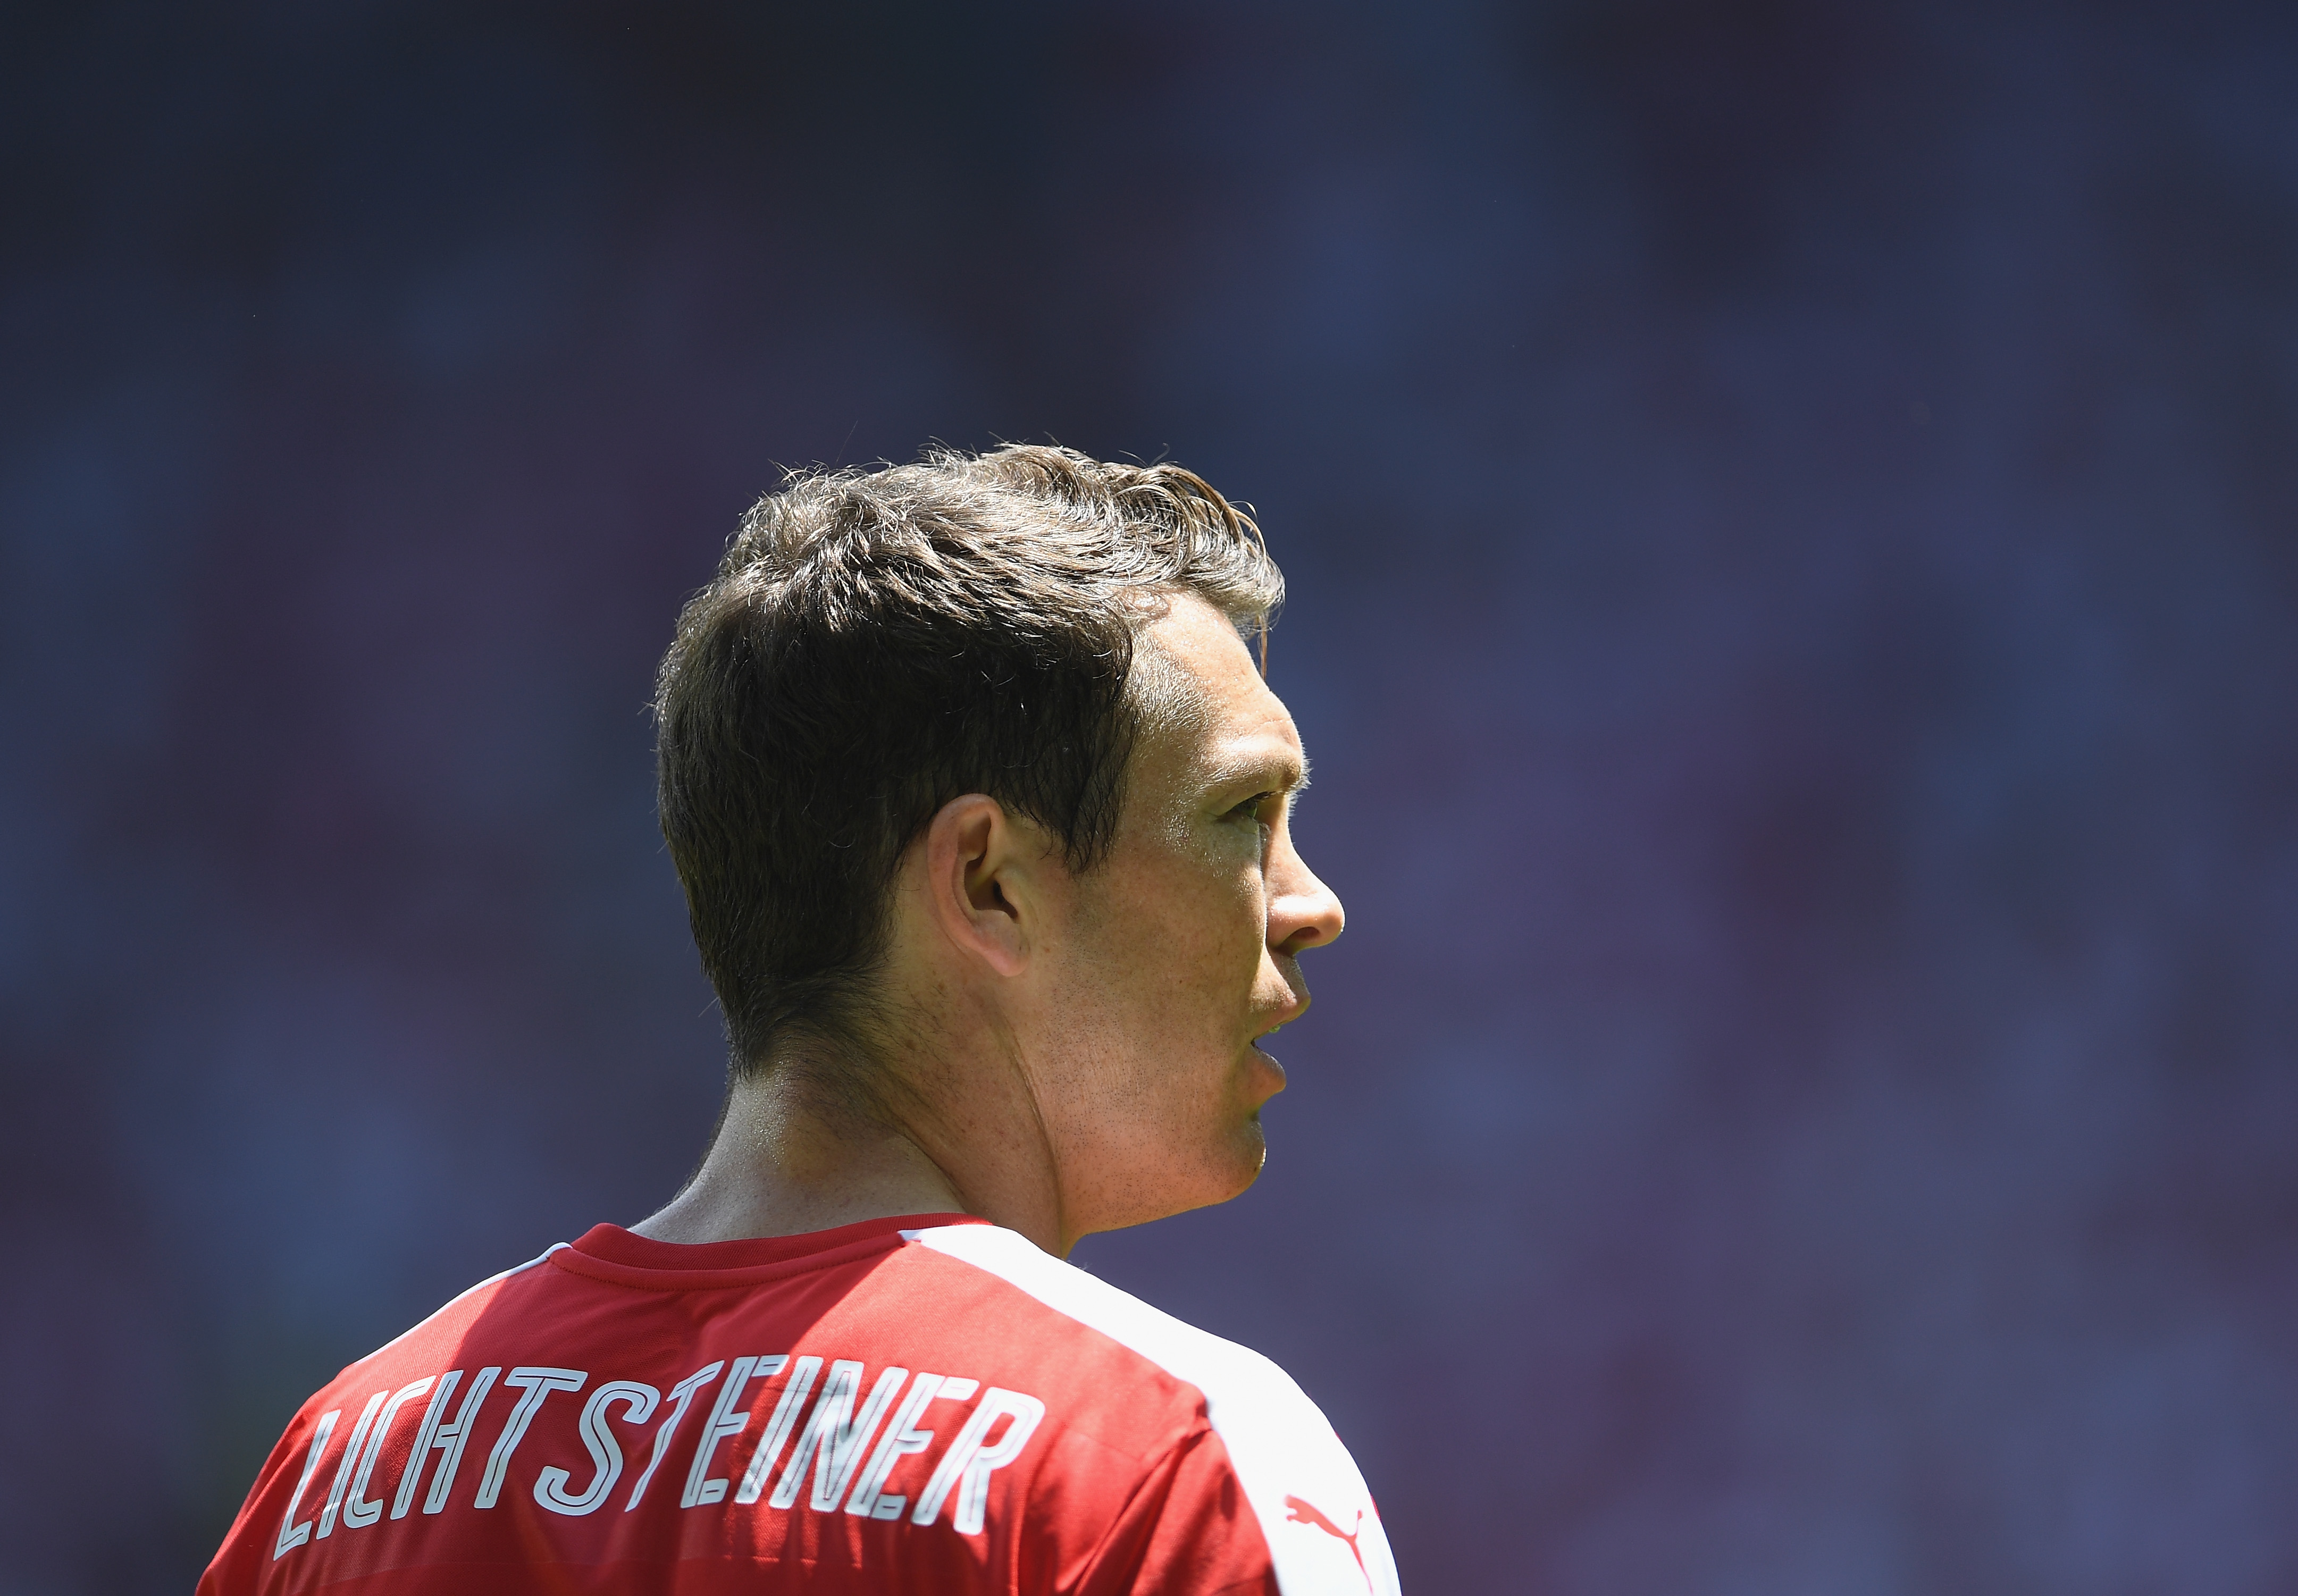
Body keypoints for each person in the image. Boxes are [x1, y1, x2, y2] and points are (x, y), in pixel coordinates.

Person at [200, 444, 1400, 1594]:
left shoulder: (339, 1473)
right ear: (988, 882)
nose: (1313, 904)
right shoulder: (1161, 1462)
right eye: (1244, 812)